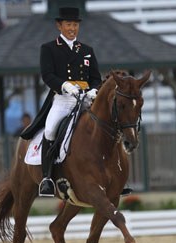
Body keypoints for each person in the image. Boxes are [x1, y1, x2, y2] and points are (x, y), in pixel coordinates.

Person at [21, 7, 102, 197]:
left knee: (106, 126)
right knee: (49, 130)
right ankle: (47, 178)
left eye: (75, 25)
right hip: (63, 100)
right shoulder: (49, 48)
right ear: (60, 25)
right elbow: (47, 75)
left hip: (85, 100)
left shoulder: (87, 50)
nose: (72, 28)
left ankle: (110, 174)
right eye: (68, 24)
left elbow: (96, 77)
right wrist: (65, 85)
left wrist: (93, 91)